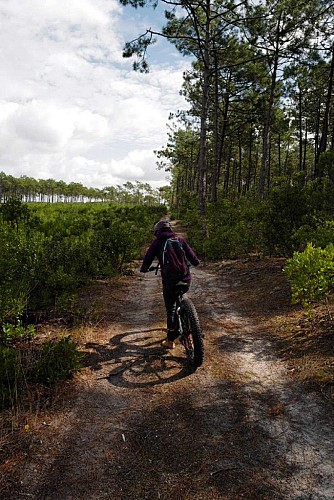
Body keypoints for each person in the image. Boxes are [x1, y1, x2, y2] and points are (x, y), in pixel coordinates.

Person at [140, 219, 200, 349]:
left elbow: (147, 259)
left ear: (157, 232)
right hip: (185, 278)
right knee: (183, 295)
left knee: (171, 309)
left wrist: (144, 269)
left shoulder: (157, 243)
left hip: (170, 282)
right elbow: (193, 258)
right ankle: (190, 323)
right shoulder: (180, 240)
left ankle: (170, 341)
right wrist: (195, 263)